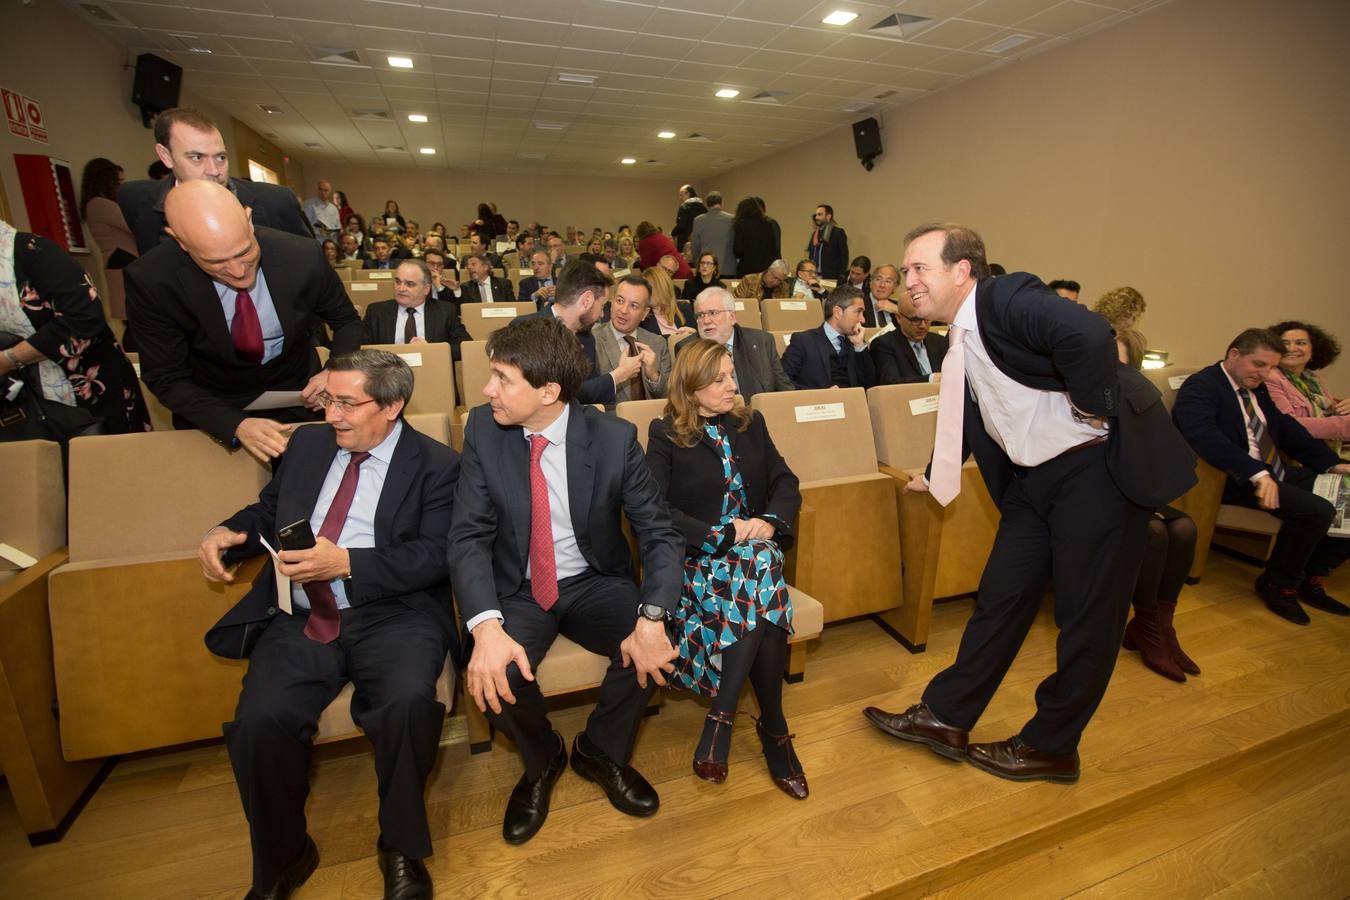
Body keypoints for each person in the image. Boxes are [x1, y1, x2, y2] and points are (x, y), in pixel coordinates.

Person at [864, 223, 1196, 784]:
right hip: (1033, 480)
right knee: (1001, 596)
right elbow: (975, 410)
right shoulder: (959, 335)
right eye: (907, 269)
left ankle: (1053, 746)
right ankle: (945, 717)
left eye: (921, 268)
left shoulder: (1008, 297)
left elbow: (1090, 335)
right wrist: (932, 473)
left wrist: (1097, 402)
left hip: (1097, 473)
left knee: (1085, 618)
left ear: (962, 271)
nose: (908, 280)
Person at [198, 350, 459, 900]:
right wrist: (229, 529)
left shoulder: (438, 464)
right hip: (303, 610)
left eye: (346, 403)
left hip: (397, 611)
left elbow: (437, 556)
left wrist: (347, 564)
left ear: (391, 405)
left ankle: (402, 847)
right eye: (326, 401)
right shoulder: (310, 445)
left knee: (407, 706)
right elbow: (272, 510)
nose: (331, 415)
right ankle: (284, 855)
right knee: (259, 722)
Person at [449, 317, 683, 844]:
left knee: (657, 641)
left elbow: (660, 535)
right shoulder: (484, 430)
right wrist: (485, 627)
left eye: (502, 379)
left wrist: (651, 617)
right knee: (497, 674)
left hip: (590, 579)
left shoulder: (614, 438)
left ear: (548, 391)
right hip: (518, 587)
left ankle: (600, 750)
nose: (488, 391)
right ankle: (542, 761)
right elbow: (466, 536)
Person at [645, 339, 807, 797]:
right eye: (718, 380)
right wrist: (721, 535)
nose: (732, 386)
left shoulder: (750, 424)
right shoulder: (665, 434)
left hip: (752, 555)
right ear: (691, 388)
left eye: (732, 375)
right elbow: (653, 508)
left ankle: (722, 716)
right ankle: (773, 729)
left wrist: (770, 523)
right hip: (699, 559)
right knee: (762, 580)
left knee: (758, 562)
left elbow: (785, 482)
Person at [123, 181, 362, 461]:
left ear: (248, 220)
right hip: (212, 406)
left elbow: (347, 320)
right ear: (180, 242)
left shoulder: (301, 255)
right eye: (216, 263)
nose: (238, 272)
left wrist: (334, 371)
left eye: (244, 253)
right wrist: (234, 424)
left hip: (299, 396)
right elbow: (166, 377)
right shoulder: (152, 280)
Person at [1172, 328, 1350, 623]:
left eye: (1271, 367)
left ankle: (1311, 574)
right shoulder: (1202, 386)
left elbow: (1287, 430)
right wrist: (1256, 473)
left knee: (1348, 496)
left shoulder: (1257, 387)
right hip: (1235, 478)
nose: (1266, 374)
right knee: (1317, 510)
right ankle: (1278, 585)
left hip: (1273, 472)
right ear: (1234, 355)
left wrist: (1332, 464)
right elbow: (1204, 436)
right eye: (1259, 365)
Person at [0, 223, 150, 434]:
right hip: (22, 402)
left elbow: (84, 319)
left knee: (111, 463)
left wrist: (9, 359)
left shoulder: (33, 251)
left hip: (90, 394)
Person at [1114, 328, 1200, 683]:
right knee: (1152, 532)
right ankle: (1149, 628)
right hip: (1095, 493)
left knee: (1183, 527)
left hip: (1134, 486)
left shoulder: (1137, 395)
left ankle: (1160, 625)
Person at [118, 108, 311, 255]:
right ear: (166, 156)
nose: (214, 171)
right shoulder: (135, 200)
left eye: (220, 158)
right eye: (196, 157)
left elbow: (311, 268)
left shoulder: (275, 202)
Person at [525, 260, 627, 406]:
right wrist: (617, 376)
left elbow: (588, 397)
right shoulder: (525, 331)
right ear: (587, 301)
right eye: (602, 306)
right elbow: (551, 394)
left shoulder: (587, 338)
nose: (602, 315)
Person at [677, 287, 794, 401]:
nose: (706, 321)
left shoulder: (762, 341)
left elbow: (785, 390)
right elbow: (682, 399)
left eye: (713, 313)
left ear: (732, 317)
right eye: (700, 315)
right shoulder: (687, 348)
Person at [1264, 320, 1350, 460]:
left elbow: (1331, 409)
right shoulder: (1270, 378)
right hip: (1297, 459)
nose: (1291, 349)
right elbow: (1289, 425)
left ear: (1314, 350)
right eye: (1285, 343)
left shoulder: (1311, 379)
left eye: (1300, 343)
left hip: (1323, 451)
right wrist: (1345, 425)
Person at [361, 260, 472, 359]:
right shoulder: (376, 312)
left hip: (431, 374)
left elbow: (465, 347)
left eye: (410, 284)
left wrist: (431, 350)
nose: (401, 288)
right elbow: (360, 350)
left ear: (426, 289)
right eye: (398, 282)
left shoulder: (445, 311)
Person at [781, 285, 874, 390]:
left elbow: (870, 387)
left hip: (851, 404)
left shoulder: (856, 342)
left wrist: (859, 346)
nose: (863, 319)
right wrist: (820, 395)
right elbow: (783, 382)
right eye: (858, 312)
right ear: (838, 312)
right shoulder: (804, 341)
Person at [595, 274, 670, 403]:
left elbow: (670, 396)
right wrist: (619, 375)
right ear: (611, 302)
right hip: (611, 419)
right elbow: (586, 394)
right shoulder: (593, 340)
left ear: (645, 314)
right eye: (620, 301)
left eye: (633, 306)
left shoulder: (658, 343)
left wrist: (654, 375)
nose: (623, 310)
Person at [80, 157, 137, 324]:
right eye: (118, 181)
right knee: (135, 319)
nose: (121, 186)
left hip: (123, 259)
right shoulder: (99, 204)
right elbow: (131, 223)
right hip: (123, 260)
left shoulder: (96, 204)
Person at [870, 288, 948, 384]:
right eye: (915, 320)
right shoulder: (884, 344)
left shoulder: (940, 341)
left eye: (927, 318)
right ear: (899, 318)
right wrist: (931, 379)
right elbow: (891, 383)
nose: (923, 326)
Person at [638, 266, 694, 338]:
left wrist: (693, 334)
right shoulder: (642, 316)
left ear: (662, 287)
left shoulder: (685, 308)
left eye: (649, 288)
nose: (645, 293)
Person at [690, 191, 736, 277]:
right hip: (728, 268)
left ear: (707, 204)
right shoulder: (732, 219)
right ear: (722, 203)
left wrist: (698, 262)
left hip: (706, 268)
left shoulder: (698, 220)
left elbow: (695, 247)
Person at [732, 196, 776, 277]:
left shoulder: (740, 224)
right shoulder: (768, 224)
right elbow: (773, 248)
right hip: (764, 268)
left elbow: (738, 249)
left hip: (746, 267)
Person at [806, 204, 848, 279]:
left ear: (828, 216)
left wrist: (841, 275)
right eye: (816, 215)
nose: (816, 217)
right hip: (814, 276)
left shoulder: (838, 233)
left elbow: (844, 256)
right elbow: (811, 256)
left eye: (819, 214)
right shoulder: (815, 234)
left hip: (831, 277)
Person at [671, 184, 706, 252]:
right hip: (700, 242)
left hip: (685, 242)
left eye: (681, 194)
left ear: (688, 193)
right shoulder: (703, 208)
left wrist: (673, 233)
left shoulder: (684, 207)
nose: (680, 197)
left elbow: (681, 225)